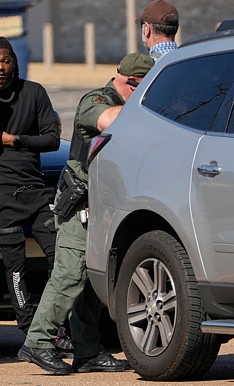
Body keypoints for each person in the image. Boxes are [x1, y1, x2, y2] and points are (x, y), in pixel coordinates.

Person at [18, 52, 155, 375]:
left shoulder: (130, 103)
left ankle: (88, 351)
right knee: (70, 273)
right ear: (132, 84)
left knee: (90, 280)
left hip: (104, 205)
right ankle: (38, 341)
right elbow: (105, 121)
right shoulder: (96, 100)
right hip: (78, 204)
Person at [0, 36, 60, 337]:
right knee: (15, 264)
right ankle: (29, 328)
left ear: (14, 62)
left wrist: (17, 140)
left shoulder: (34, 92)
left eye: (5, 61)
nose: (0, 67)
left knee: (59, 254)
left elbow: (52, 140)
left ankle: (53, 320)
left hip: (34, 189)